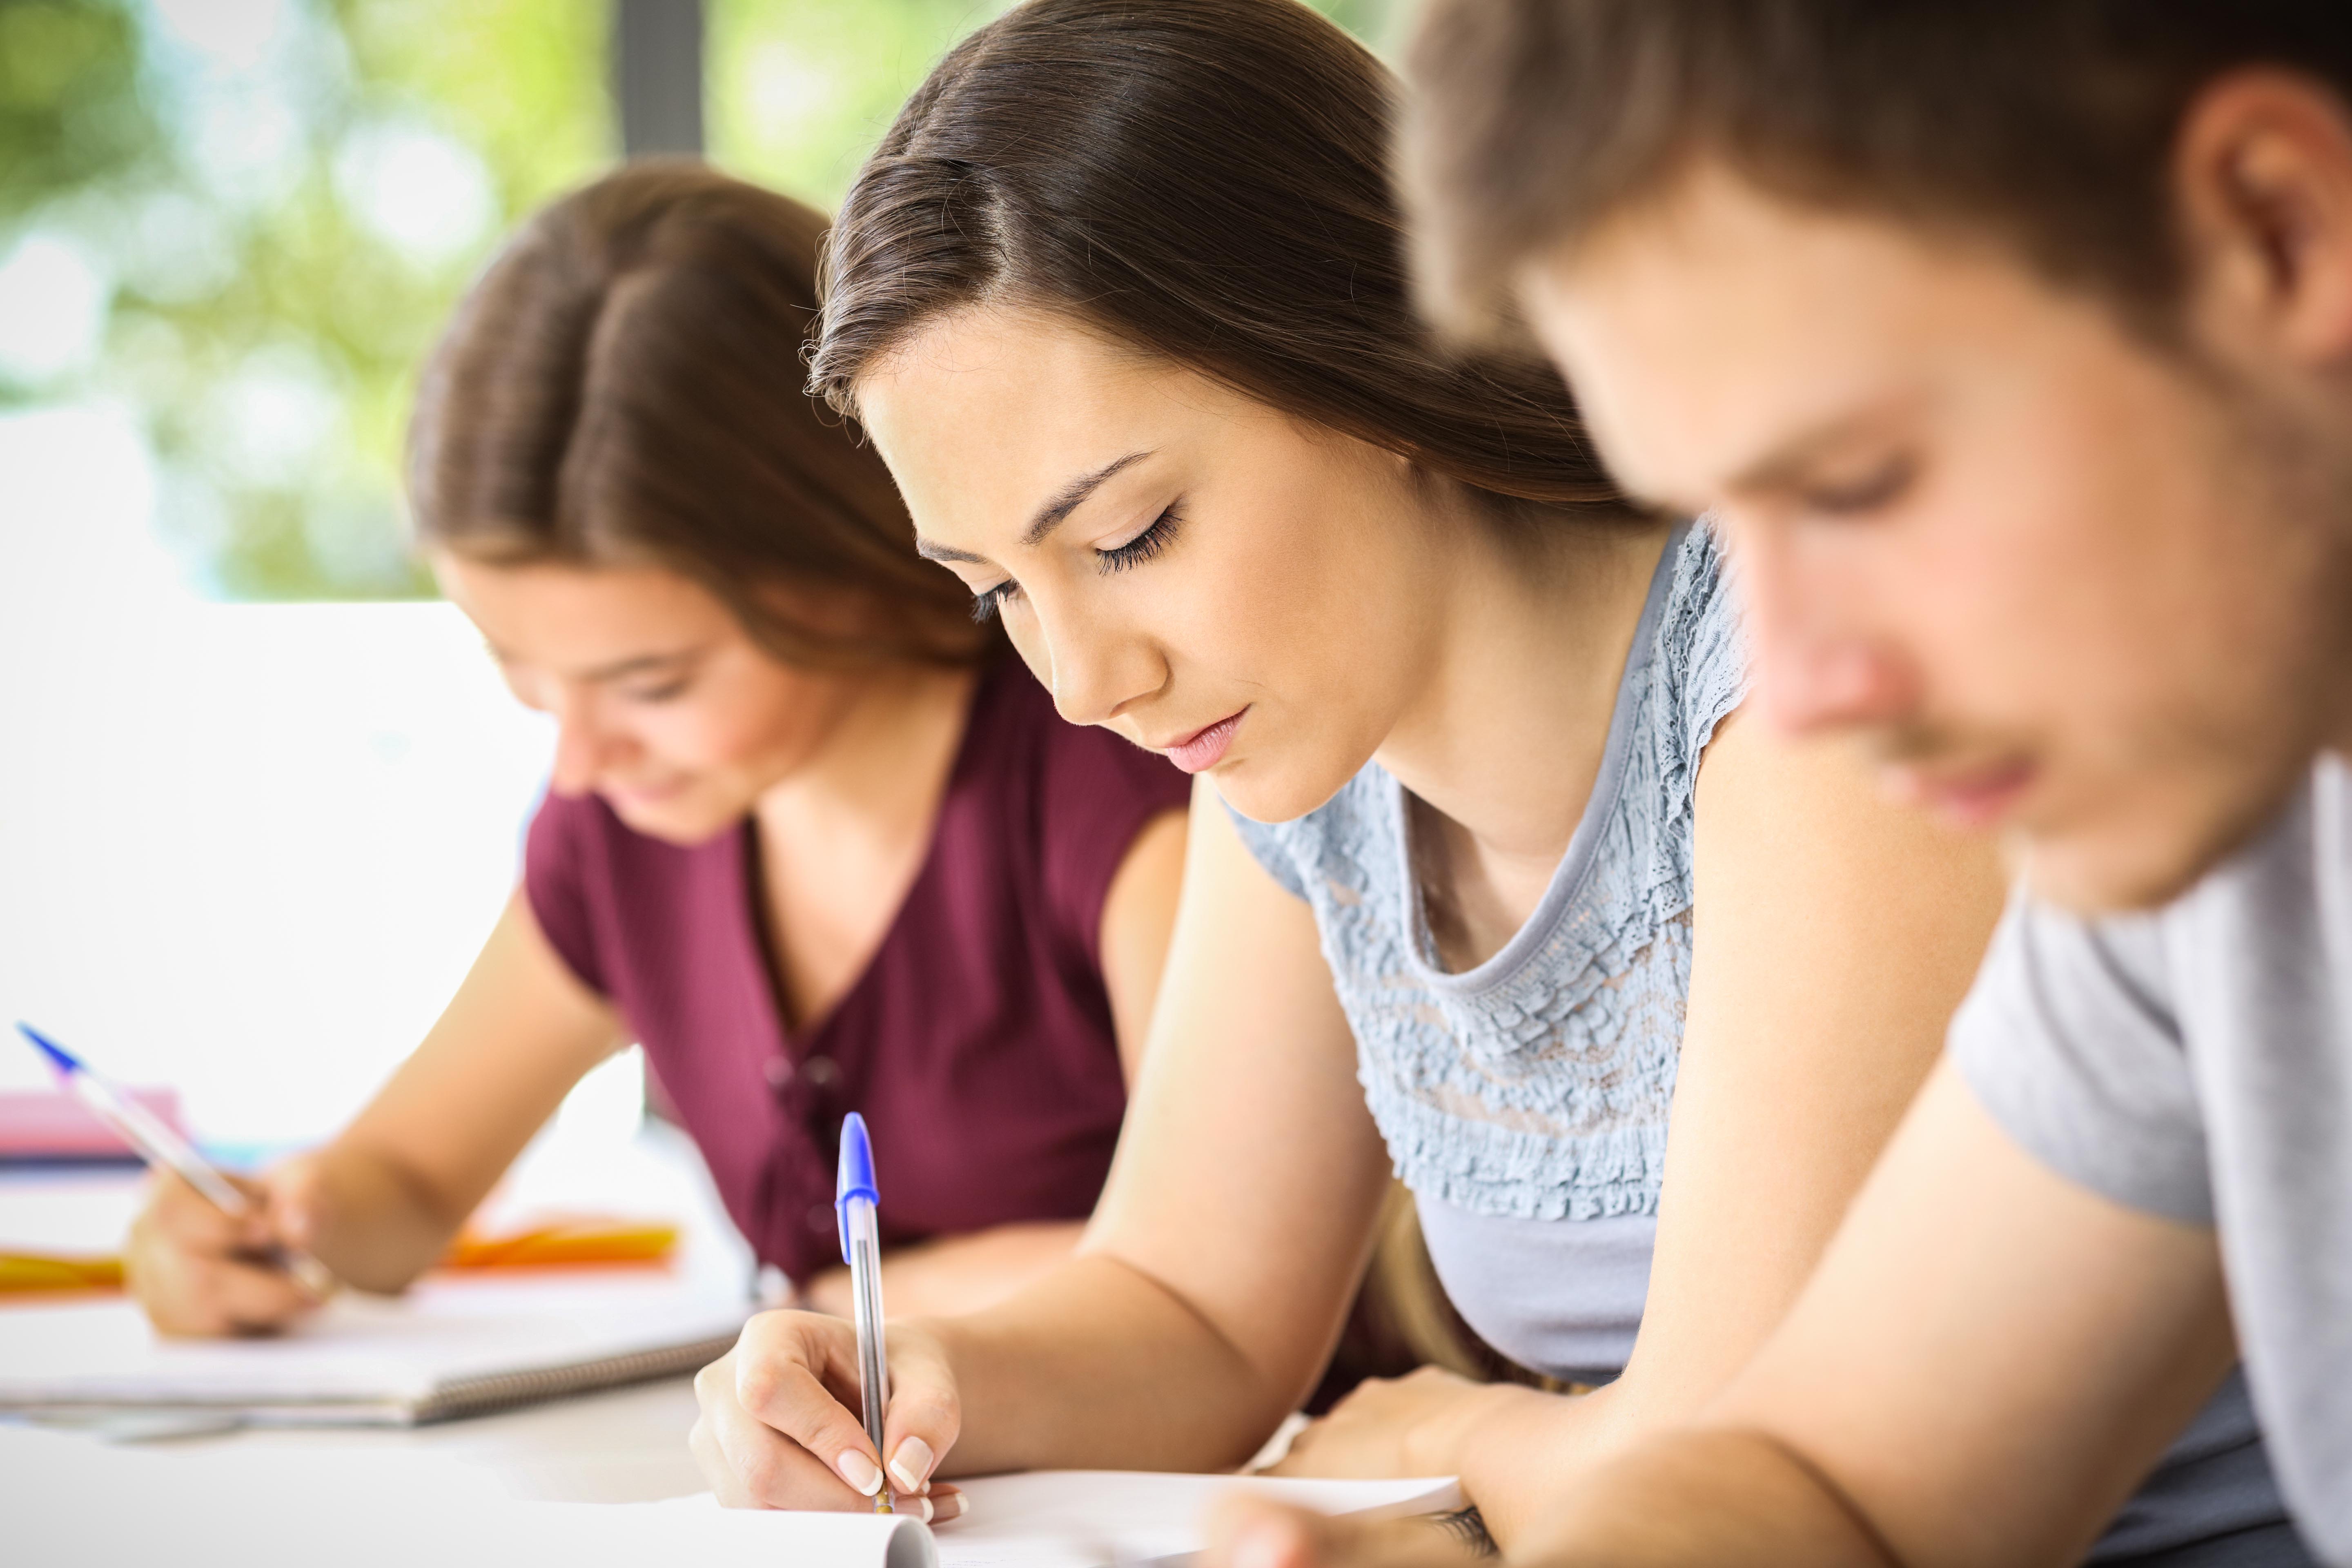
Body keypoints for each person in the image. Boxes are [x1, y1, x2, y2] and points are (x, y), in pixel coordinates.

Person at [680, 0, 2044, 1546]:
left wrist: (1449, 1429)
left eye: (1132, 537)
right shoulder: (1294, 754)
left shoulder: (1800, 684)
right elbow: (1195, 1309)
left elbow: (1744, 1468)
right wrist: (916, 1376)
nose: (1083, 686)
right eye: (998, 589)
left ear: (1369, 358)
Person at [1203, 3, 2352, 1566]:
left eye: (1856, 486)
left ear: (2277, 232)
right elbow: (1841, 1487)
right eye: (1725, 526)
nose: (1802, 684)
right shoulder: (2217, 844)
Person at [123, 164, 1192, 1370]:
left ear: (851, 552)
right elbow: (407, 1180)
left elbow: (1219, 1268)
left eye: (652, 685)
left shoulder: (1119, 777)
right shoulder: (629, 827)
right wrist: (271, 1229)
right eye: (519, 668)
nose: (576, 760)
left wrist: (830, 1315)